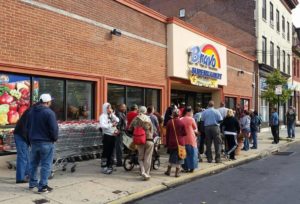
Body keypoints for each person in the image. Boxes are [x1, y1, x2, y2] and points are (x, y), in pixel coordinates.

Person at [27, 94, 58, 193]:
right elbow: (54, 129)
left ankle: (32, 183)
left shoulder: (31, 112)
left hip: (34, 142)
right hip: (46, 142)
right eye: (50, 101)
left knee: (33, 164)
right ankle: (43, 186)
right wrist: (54, 138)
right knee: (46, 165)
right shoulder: (49, 113)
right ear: (48, 102)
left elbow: (28, 126)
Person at [129, 106, 154, 181]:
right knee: (148, 158)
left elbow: (130, 128)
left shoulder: (135, 118)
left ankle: (142, 171)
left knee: (140, 158)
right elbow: (152, 129)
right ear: (145, 111)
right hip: (149, 140)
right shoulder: (148, 118)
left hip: (139, 140)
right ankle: (146, 173)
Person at [165, 107, 186, 177]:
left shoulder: (169, 122)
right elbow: (185, 133)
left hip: (171, 142)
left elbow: (167, 134)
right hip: (180, 142)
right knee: (180, 157)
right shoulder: (181, 122)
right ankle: (177, 173)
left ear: (173, 115)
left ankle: (168, 171)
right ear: (179, 114)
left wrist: (167, 143)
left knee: (171, 156)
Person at [100, 103, 120, 174]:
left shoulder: (111, 115)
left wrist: (113, 114)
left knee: (111, 152)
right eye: (108, 108)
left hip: (113, 135)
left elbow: (117, 120)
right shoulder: (103, 116)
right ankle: (104, 167)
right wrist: (111, 124)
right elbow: (102, 125)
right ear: (105, 109)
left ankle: (109, 166)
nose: (109, 109)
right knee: (106, 152)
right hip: (107, 136)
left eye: (110, 107)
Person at [14, 108, 31, 183]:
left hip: (22, 134)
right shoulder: (35, 113)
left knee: (26, 156)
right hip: (21, 135)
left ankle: (27, 175)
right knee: (23, 156)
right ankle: (20, 178)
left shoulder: (33, 111)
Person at [181, 107, 198, 172]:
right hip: (191, 138)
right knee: (192, 153)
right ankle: (192, 167)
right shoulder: (191, 119)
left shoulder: (181, 119)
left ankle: (185, 167)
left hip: (183, 139)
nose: (192, 114)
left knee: (184, 154)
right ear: (188, 112)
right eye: (191, 112)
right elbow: (195, 128)